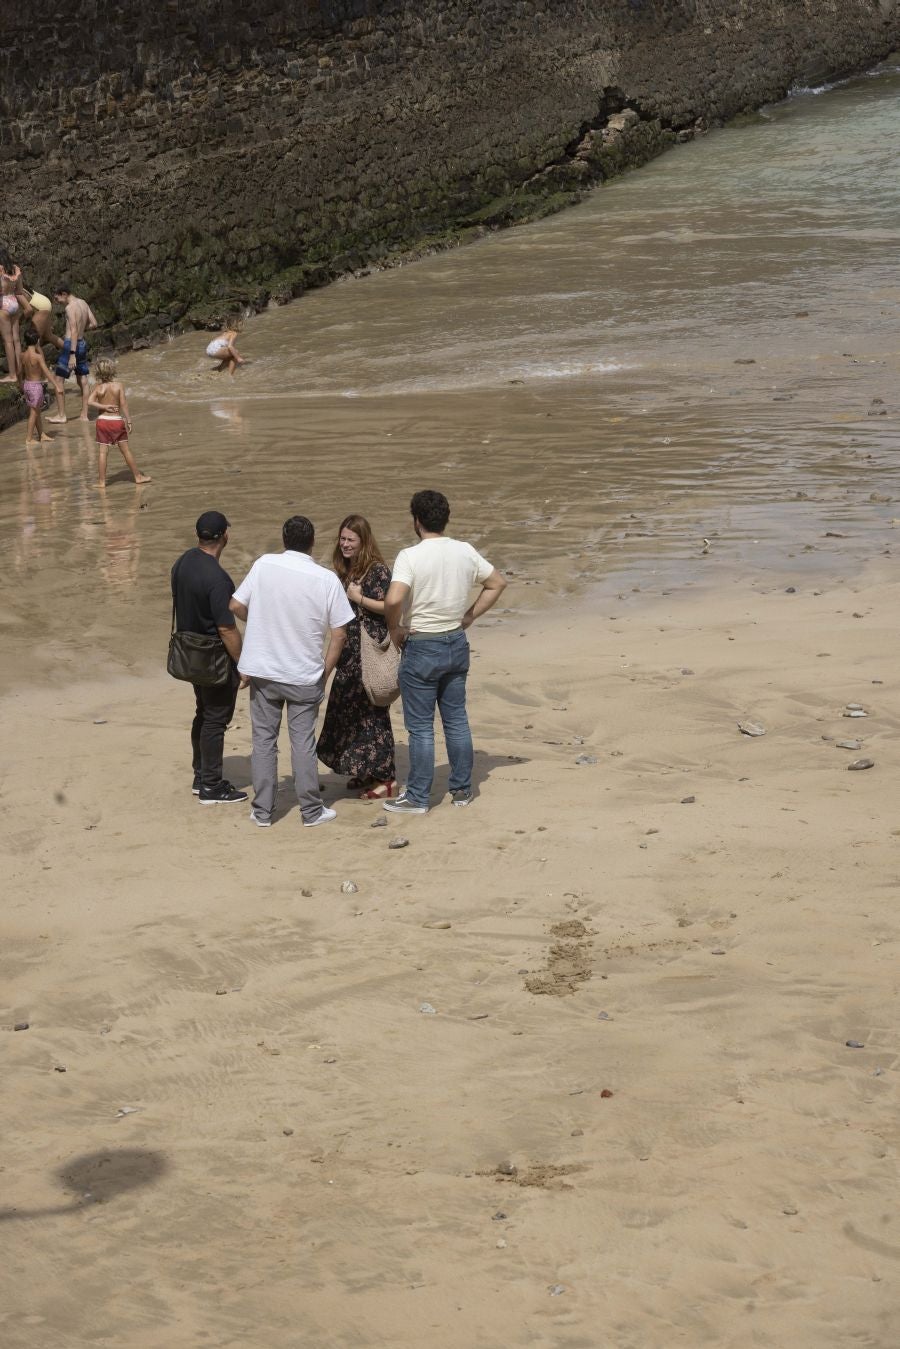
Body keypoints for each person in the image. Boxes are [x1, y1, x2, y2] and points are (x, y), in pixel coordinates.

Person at [383, 490, 507, 815]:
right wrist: (468, 616)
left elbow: (394, 599)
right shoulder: (464, 551)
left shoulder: (410, 556)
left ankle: (419, 796)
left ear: (417, 521)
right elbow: (496, 583)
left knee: (421, 726)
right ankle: (462, 790)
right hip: (455, 641)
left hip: (422, 644)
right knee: (456, 719)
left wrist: (394, 626)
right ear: (445, 518)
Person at [230, 515, 354, 828]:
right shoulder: (325, 579)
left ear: (284, 539)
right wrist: (325, 673)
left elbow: (235, 606)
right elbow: (340, 632)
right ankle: (311, 811)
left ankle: (262, 811)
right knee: (303, 743)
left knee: (263, 741)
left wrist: (260, 623)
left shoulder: (264, 565)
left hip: (265, 672)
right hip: (303, 675)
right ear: (312, 543)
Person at [317, 514, 398, 799]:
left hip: (369, 654)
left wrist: (358, 597)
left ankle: (386, 779)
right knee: (347, 712)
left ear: (364, 542)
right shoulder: (343, 571)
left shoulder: (377, 571)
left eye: (351, 540)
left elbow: (390, 607)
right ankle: (367, 769)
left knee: (373, 714)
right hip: (348, 655)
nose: (345, 545)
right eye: (342, 539)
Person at [171, 511, 248, 805]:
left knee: (203, 713)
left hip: (189, 653)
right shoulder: (217, 578)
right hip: (214, 658)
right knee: (216, 719)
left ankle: (200, 776)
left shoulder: (183, 562)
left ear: (199, 535)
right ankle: (212, 787)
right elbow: (226, 628)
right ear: (223, 536)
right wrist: (242, 664)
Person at [87, 356, 151, 488]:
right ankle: (138, 476)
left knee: (102, 452)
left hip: (102, 422)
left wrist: (104, 407)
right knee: (126, 451)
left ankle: (102, 481)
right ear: (112, 371)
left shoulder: (98, 387)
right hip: (116, 421)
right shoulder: (118, 386)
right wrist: (129, 420)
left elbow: (89, 402)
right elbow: (124, 404)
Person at [47, 284, 98, 423]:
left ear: (64, 294)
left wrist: (72, 354)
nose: (57, 302)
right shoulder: (83, 303)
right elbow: (94, 323)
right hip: (82, 343)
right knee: (83, 380)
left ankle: (62, 415)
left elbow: (74, 331)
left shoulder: (70, 308)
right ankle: (84, 415)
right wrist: (82, 330)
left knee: (58, 380)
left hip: (72, 346)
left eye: (57, 299)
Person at [17, 331, 53, 445]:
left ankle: (41, 435)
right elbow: (46, 371)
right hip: (35, 387)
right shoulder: (37, 356)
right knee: (34, 413)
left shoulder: (22, 355)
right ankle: (29, 439)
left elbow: (19, 372)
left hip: (27, 384)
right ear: (37, 341)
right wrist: (56, 384)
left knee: (36, 411)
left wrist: (20, 384)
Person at [0, 257, 28, 382]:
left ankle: (12, 375)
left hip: (3, 305)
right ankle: (20, 372)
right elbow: (20, 291)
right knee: (16, 340)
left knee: (8, 342)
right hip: (14, 303)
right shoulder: (15, 269)